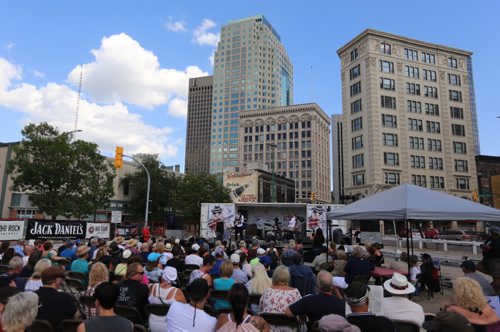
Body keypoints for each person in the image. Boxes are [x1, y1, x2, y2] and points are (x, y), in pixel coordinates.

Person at [36, 266, 79, 332]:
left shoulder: (32, 296)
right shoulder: (65, 297)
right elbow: (76, 317)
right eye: (61, 279)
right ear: (57, 280)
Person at [260, 265, 301, 331]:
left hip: (269, 329)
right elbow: (300, 313)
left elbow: (262, 309)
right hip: (290, 329)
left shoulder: (267, 291)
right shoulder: (295, 292)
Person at [148, 267, 186, 332]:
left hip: (152, 325)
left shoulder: (152, 287)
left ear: (162, 276)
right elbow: (185, 308)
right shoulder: (177, 291)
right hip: (169, 327)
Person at [478, 226, 500, 294]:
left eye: (491, 232)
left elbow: (488, 248)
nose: (489, 233)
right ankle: (496, 278)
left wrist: (483, 246)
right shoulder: (491, 238)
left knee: (496, 277)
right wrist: (483, 246)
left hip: (494, 260)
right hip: (487, 259)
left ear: (494, 233)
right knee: (478, 266)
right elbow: (485, 245)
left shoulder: (498, 239)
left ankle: (496, 292)